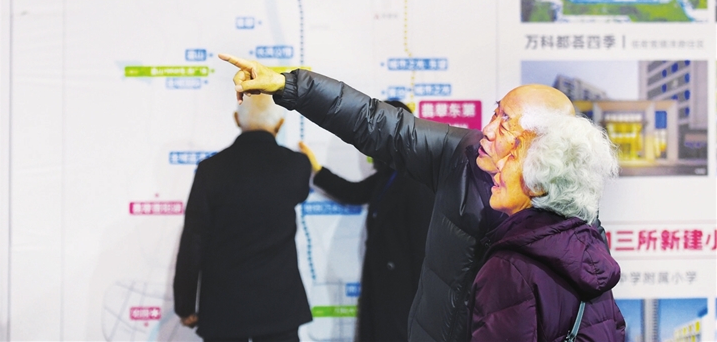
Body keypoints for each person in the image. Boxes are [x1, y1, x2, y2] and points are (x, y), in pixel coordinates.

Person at [217, 54, 603, 342]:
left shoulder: (575, 221)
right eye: (494, 113)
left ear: (544, 148)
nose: (487, 129)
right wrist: (290, 86)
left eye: (505, 124)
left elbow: (595, 322)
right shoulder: (460, 155)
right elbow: (375, 121)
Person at [469, 112, 625, 340]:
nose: (498, 164)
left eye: (512, 157)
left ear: (538, 185)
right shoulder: (591, 259)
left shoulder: (510, 268)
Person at [173, 94, 313, 342]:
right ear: (280, 124)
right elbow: (300, 192)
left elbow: (193, 241)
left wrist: (185, 305)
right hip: (279, 307)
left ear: (237, 119)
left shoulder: (210, 169)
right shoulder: (297, 165)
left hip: (223, 308)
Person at [298, 99, 434, 342]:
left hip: (403, 298)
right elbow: (354, 193)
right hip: (383, 290)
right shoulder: (389, 175)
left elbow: (421, 253)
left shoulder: (417, 180)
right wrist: (316, 170)